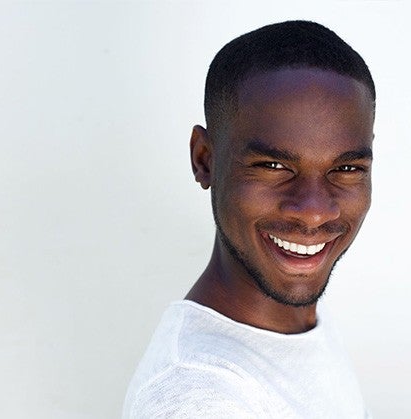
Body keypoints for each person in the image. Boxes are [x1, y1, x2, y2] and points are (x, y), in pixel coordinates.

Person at [123, 20, 376, 418]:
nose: (313, 212)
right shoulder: (200, 398)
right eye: (274, 166)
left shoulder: (298, 320)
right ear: (204, 160)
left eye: (345, 169)